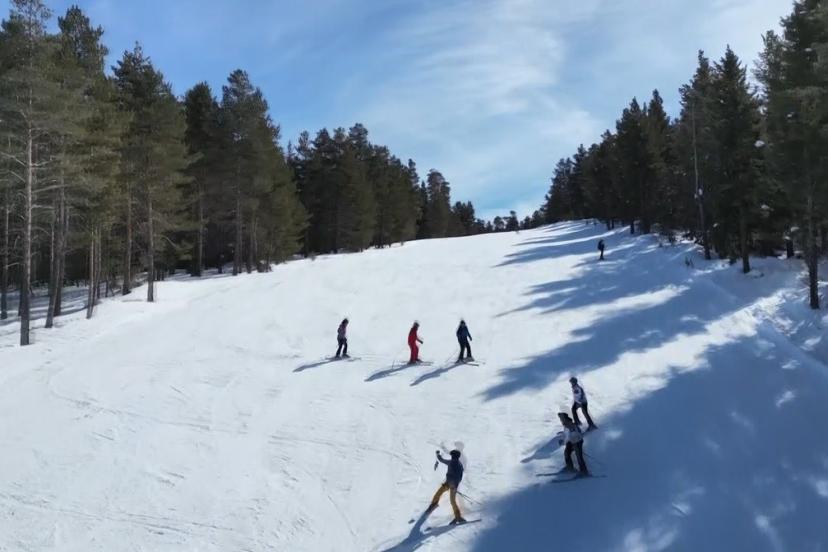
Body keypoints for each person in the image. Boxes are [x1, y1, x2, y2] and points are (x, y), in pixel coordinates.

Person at [428, 449, 467, 524]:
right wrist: (455, 485)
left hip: (451, 484)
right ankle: (458, 517)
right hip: (451, 484)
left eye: (452, 455)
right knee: (450, 499)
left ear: (454, 456)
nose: (451, 457)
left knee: (443, 495)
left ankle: (434, 504)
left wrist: (438, 455)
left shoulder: (453, 463)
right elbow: (460, 477)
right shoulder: (458, 464)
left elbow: (442, 460)